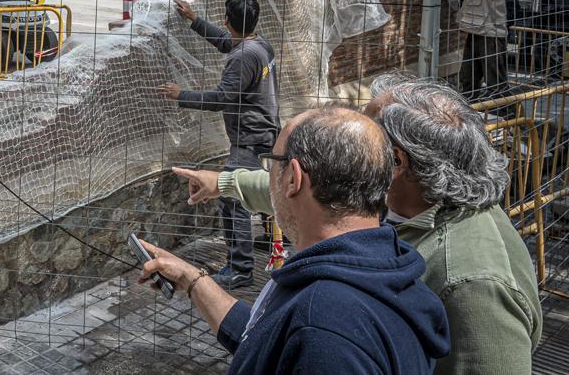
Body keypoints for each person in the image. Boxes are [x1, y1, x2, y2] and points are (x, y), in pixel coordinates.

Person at [174, 73, 541, 375]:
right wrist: (220, 183)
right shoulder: (395, 205)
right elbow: (312, 190)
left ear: (395, 162)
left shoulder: (475, 280)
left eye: (368, 131)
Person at [140, 106, 450, 373]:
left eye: (272, 163)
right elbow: (264, 339)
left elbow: (308, 334)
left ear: (293, 178)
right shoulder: (380, 267)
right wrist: (192, 280)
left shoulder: (325, 329)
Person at [158, 0, 278, 289]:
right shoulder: (259, 44)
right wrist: (195, 20)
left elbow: (221, 98)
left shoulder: (242, 56)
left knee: (232, 198)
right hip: (264, 132)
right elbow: (229, 43)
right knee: (257, 188)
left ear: (228, 20)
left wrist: (181, 95)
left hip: (250, 137)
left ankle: (240, 270)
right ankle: (273, 239)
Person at [458, 0, 509, 101]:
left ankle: (504, 113)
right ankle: (469, 107)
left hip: (491, 35)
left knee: (495, 81)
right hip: (477, 30)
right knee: (468, 76)